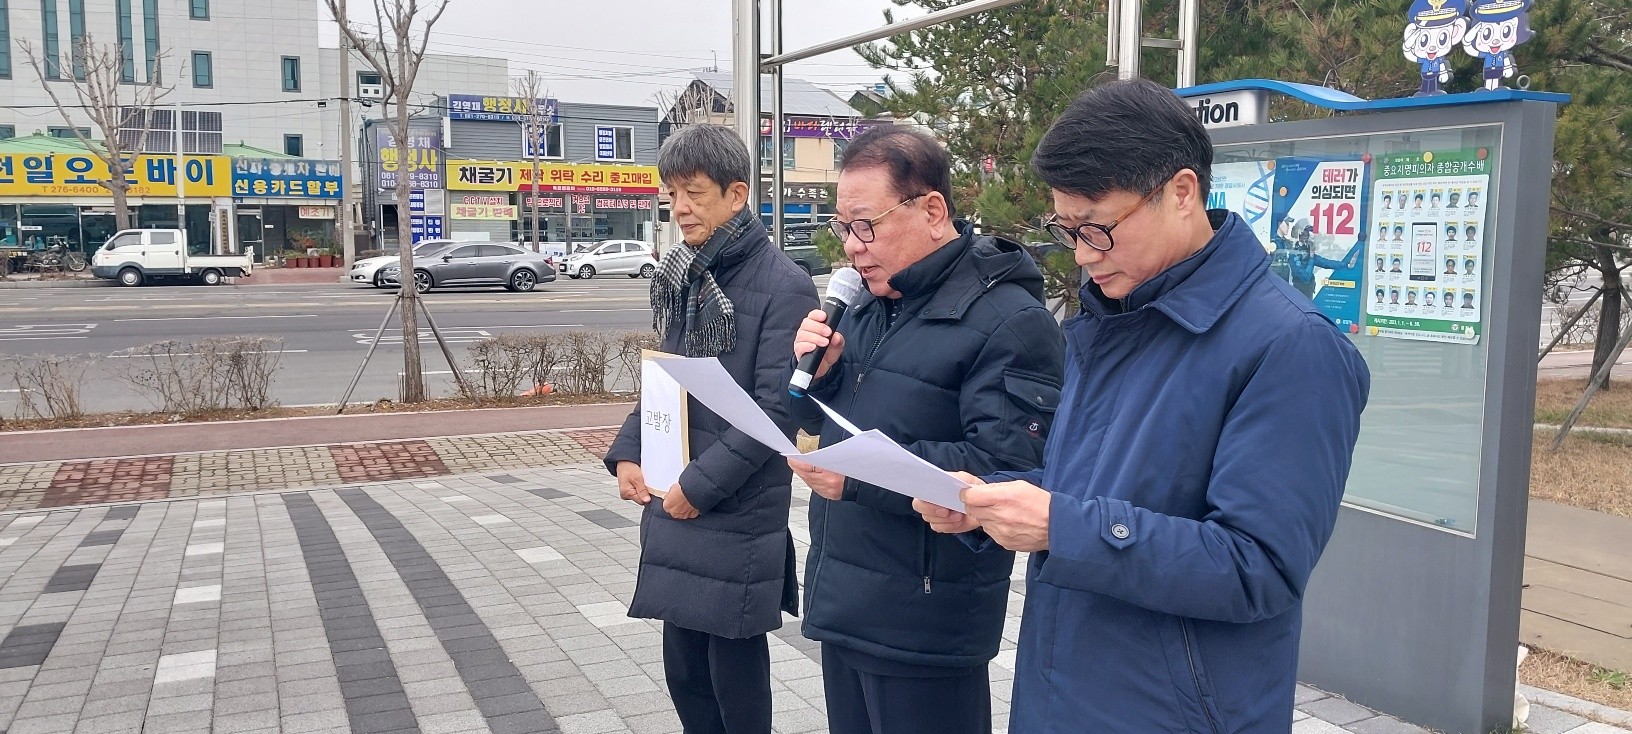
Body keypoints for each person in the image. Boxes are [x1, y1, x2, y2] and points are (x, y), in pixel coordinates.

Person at [912, 79, 1370, 733]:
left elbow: (1258, 568)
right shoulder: (1115, 319)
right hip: (1064, 697)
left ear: (1182, 193)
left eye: (1097, 229)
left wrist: (1061, 527)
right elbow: (1097, 489)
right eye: (1066, 230)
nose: (1081, 254)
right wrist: (992, 501)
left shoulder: (1292, 346)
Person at [787, 125, 1065, 734]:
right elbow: (824, 422)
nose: (852, 246)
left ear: (933, 211)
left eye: (867, 225)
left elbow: (1004, 466)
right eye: (843, 227)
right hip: (845, 599)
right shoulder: (866, 303)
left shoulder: (1011, 322)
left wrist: (856, 476)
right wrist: (822, 380)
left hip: (926, 620)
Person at [601, 124, 819, 734]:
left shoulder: (784, 284)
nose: (680, 208)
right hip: (676, 497)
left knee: (733, 676)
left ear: (736, 194)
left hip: (735, 507)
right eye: (673, 193)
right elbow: (668, 377)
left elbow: (776, 411)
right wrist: (630, 452)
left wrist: (700, 486)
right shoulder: (688, 275)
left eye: (694, 192)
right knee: (684, 672)